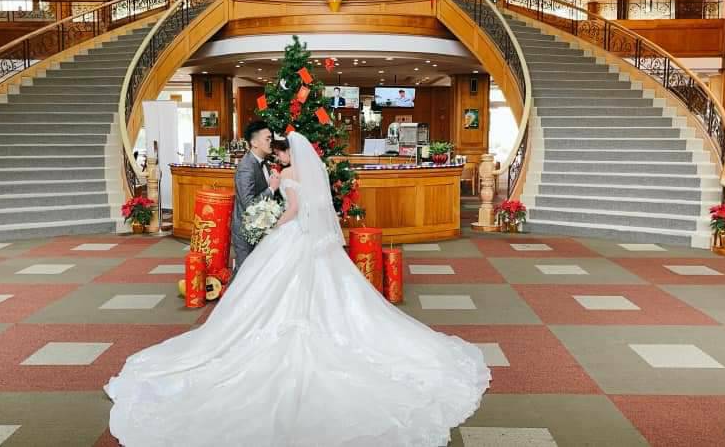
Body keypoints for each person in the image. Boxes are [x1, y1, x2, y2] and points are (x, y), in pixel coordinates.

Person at [104, 131, 490, 447]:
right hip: (317, 243)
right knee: (332, 290)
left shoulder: (288, 174)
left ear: (289, 153)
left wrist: (271, 225)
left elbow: (290, 211)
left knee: (269, 286)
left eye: (280, 151)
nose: (277, 156)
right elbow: (317, 210)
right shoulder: (310, 174)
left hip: (293, 237)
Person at [230, 120, 280, 273]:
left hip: (261, 228)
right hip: (246, 231)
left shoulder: (264, 162)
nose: (271, 142)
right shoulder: (246, 167)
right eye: (267, 138)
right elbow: (249, 204)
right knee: (245, 274)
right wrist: (271, 189)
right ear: (254, 142)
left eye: (271, 138)